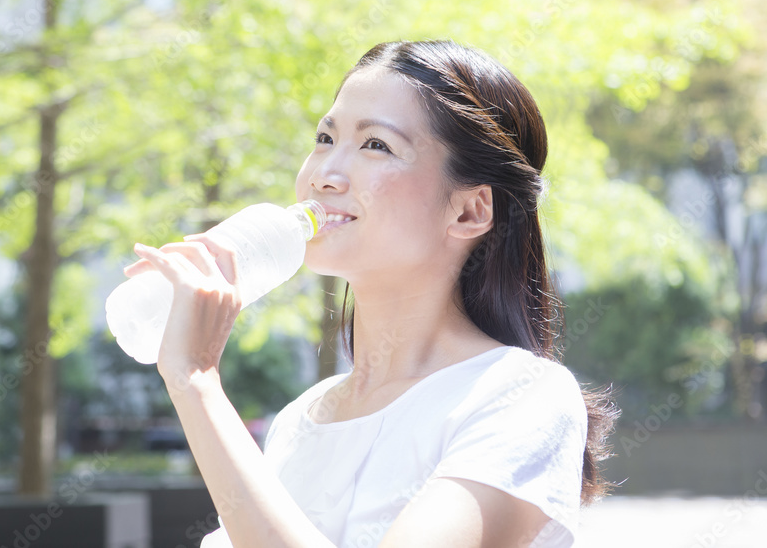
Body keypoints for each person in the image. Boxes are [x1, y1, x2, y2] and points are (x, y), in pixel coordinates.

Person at [125, 39, 619, 547]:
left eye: (376, 145)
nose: (323, 174)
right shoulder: (301, 419)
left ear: (470, 210)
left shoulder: (521, 396)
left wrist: (197, 382)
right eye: (324, 137)